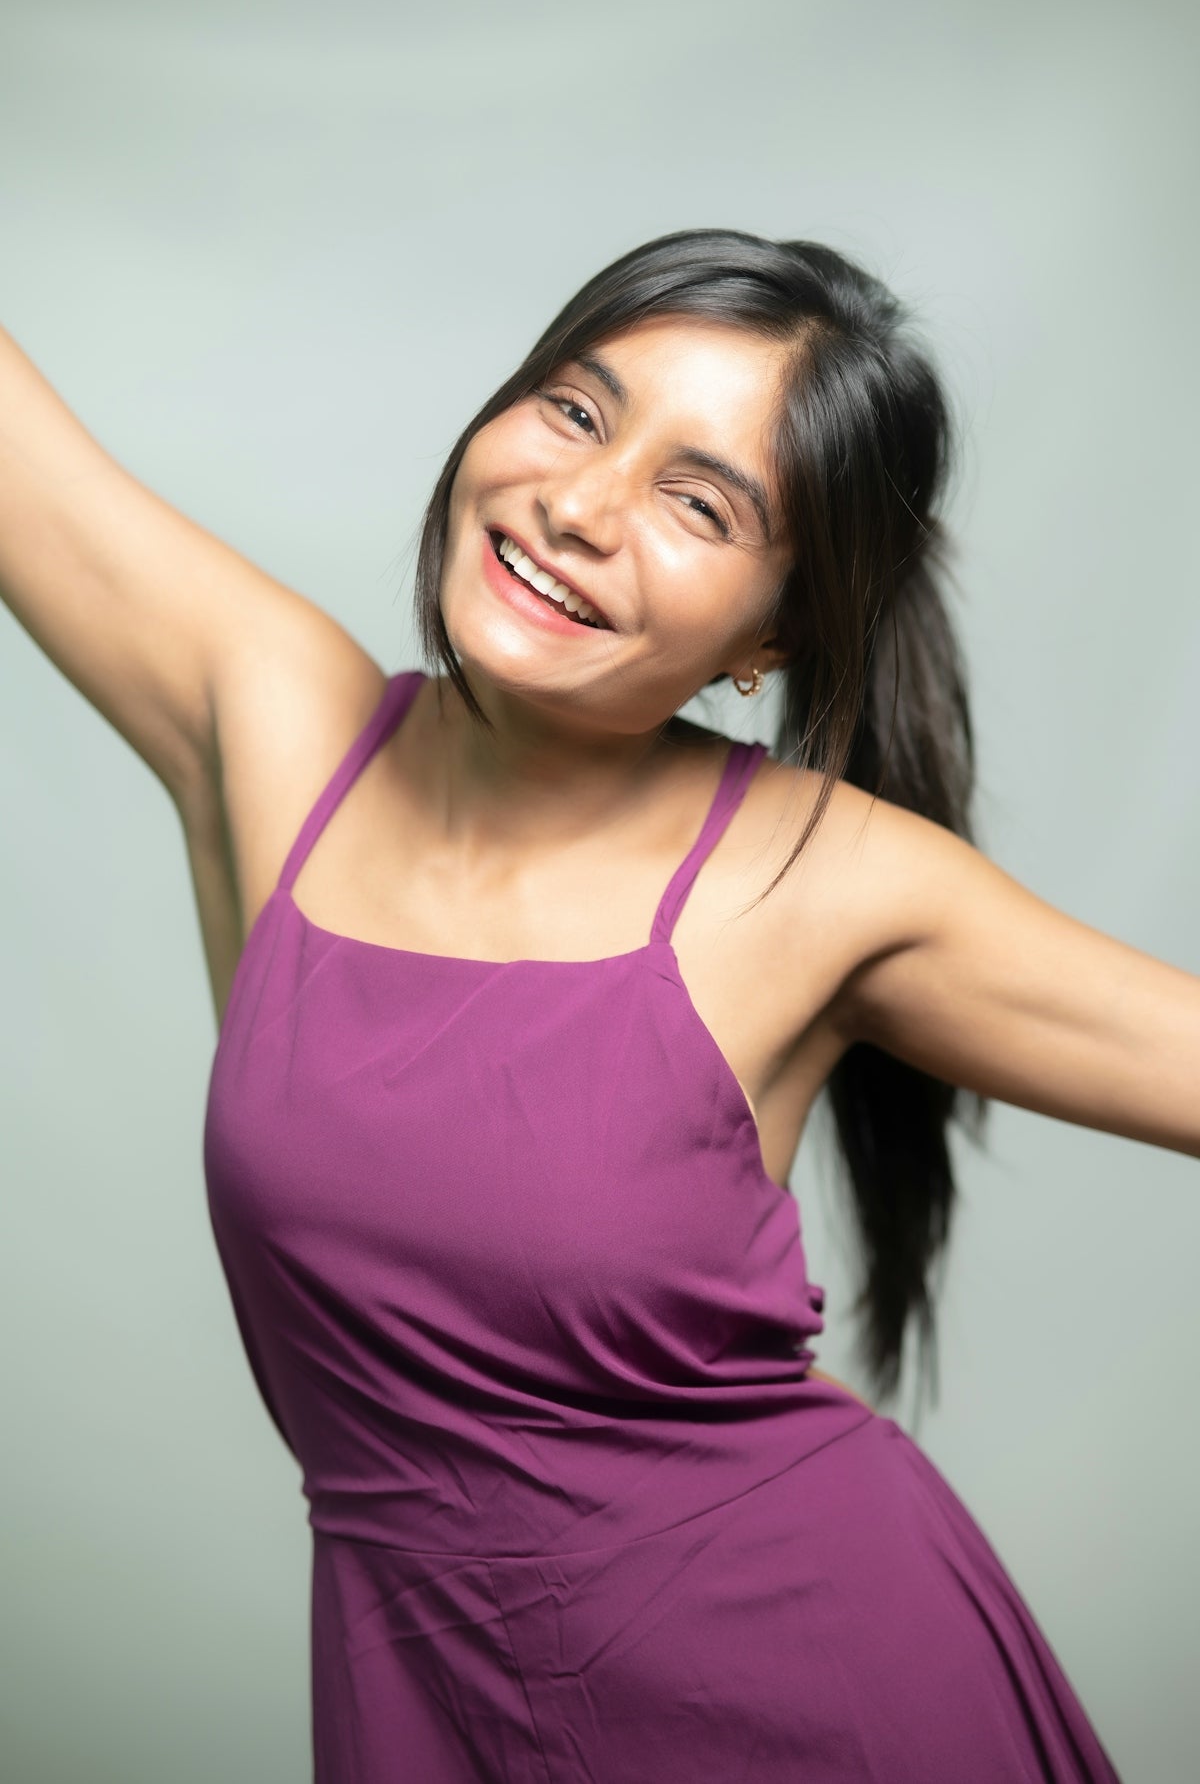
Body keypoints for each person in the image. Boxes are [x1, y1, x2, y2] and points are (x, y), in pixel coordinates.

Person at [6, 226, 1191, 1781]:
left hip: (833, 1699)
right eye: (574, 410)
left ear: (777, 633)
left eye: (698, 503)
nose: (577, 506)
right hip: (431, 1705)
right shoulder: (277, 725)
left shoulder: (823, 880)